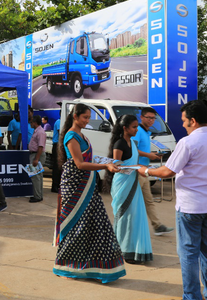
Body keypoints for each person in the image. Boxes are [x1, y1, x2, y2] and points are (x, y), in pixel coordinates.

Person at [138, 100, 207, 300]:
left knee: (188, 253)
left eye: (184, 120)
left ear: (193, 121)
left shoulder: (188, 142)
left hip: (191, 206)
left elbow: (167, 171)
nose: (183, 124)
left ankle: (192, 296)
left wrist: (145, 170)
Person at [53, 103, 125, 283]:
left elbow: (88, 159)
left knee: (95, 225)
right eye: (85, 117)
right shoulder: (71, 136)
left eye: (89, 118)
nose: (87, 121)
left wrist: (107, 162)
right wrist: (105, 166)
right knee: (76, 226)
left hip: (87, 185)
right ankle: (69, 266)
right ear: (75, 116)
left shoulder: (82, 135)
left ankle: (97, 268)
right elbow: (79, 164)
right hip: (76, 188)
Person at [108, 114, 153, 264]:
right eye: (134, 127)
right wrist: (136, 167)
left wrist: (141, 167)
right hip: (122, 184)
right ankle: (122, 250)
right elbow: (117, 167)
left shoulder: (133, 143)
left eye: (137, 127)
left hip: (133, 182)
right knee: (124, 217)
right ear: (125, 128)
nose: (136, 129)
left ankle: (134, 249)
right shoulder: (119, 144)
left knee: (134, 216)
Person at [134, 107, 174, 236]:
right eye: (149, 118)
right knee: (134, 202)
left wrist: (152, 155)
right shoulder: (138, 131)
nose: (151, 120)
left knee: (149, 200)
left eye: (153, 118)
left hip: (144, 171)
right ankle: (131, 228)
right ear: (142, 117)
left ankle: (157, 226)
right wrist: (149, 155)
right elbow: (133, 150)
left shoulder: (146, 132)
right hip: (137, 170)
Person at [28, 115, 46, 203]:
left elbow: (40, 146)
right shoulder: (37, 131)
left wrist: (36, 159)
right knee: (38, 176)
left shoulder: (40, 132)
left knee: (36, 177)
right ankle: (38, 195)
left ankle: (37, 196)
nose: (30, 124)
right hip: (35, 154)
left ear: (35, 123)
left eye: (31, 122)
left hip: (37, 155)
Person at [50, 118, 61, 193]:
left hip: (59, 145)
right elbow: (61, 132)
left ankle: (58, 185)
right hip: (57, 145)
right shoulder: (59, 122)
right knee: (56, 167)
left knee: (60, 166)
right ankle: (55, 186)